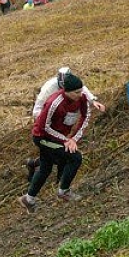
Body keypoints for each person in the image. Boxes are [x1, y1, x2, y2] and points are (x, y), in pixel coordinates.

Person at [19, 73, 91, 213]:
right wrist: (65, 140)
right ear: (67, 91)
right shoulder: (53, 103)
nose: (80, 94)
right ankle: (63, 191)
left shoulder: (81, 98)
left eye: (81, 91)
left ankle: (28, 199)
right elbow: (43, 127)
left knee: (46, 167)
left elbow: (86, 115)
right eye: (76, 92)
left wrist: (74, 138)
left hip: (59, 136)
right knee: (75, 157)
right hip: (43, 137)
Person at [26, 67, 106, 182]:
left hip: (65, 123)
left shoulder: (74, 85)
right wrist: (44, 124)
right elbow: (37, 109)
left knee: (58, 153)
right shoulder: (49, 88)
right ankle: (57, 180)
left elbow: (83, 91)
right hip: (49, 123)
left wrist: (93, 101)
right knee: (62, 153)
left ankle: (35, 165)